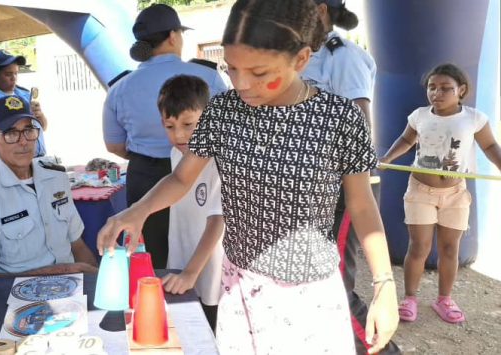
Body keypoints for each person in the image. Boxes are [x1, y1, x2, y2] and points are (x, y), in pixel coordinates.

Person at [97, 1, 398, 353]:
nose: (241, 84)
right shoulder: (224, 111)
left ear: (301, 59)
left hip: (310, 294)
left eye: (258, 73)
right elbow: (181, 179)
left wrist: (385, 284)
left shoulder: (341, 118)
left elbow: (362, 207)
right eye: (232, 68)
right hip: (240, 288)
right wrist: (137, 211)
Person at [301, 2, 396, 353]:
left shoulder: (342, 56)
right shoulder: (300, 55)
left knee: (335, 282)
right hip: (312, 186)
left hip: (343, 186)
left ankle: (378, 348)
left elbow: (358, 123)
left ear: (320, 9)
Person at [102, 3, 228, 268]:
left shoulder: (119, 87)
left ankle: (155, 304)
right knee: (202, 251)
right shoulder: (207, 76)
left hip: (144, 176)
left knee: (152, 257)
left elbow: (113, 144)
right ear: (173, 36)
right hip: (202, 175)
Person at [380, 63, 501, 324]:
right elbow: (406, 140)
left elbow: (490, 145)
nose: (437, 93)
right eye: (432, 87)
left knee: (449, 248)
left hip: (455, 194)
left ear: (462, 90)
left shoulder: (473, 118)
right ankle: (410, 298)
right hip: (420, 191)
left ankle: (444, 299)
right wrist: (387, 157)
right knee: (419, 247)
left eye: (446, 88)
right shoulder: (420, 116)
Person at [0, 95, 98, 277]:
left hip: (73, 288)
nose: (23, 141)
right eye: (11, 133)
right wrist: (59, 271)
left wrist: (96, 278)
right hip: (18, 298)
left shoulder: (56, 177)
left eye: (28, 130)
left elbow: (77, 244)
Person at [157, 75, 225, 332]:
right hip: (182, 263)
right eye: (170, 126)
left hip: (210, 272)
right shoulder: (177, 154)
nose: (180, 135)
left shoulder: (218, 159)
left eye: (188, 124)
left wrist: (191, 272)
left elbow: (218, 219)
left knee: (211, 333)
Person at [0, 49, 48, 160]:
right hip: (15, 164)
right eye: (8, 74)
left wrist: (40, 116)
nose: (14, 78)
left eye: (16, 73)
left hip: (41, 160)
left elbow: (42, 127)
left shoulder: (25, 94)